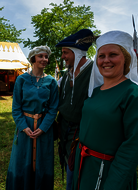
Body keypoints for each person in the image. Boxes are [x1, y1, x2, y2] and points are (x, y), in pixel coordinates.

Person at [71, 30, 138, 190]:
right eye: (101, 56)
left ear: (126, 59)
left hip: (107, 172)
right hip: (84, 166)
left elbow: (132, 148)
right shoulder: (96, 91)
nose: (106, 60)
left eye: (113, 54)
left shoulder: (136, 95)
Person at [6, 46, 59, 190]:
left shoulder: (51, 82)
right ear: (33, 59)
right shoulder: (21, 80)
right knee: (21, 161)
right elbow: (16, 108)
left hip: (44, 129)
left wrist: (43, 128)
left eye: (46, 56)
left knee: (43, 162)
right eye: (40, 56)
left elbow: (53, 108)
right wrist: (23, 127)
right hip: (25, 128)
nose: (44, 59)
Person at [55, 29, 95, 190]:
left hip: (81, 133)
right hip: (64, 129)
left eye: (66, 52)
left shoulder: (94, 71)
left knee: (78, 172)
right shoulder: (67, 74)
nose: (63, 56)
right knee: (68, 166)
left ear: (77, 52)